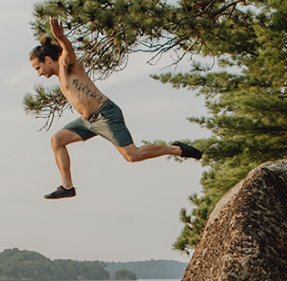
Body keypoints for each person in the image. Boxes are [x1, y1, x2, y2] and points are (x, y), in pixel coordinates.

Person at [29, 18, 201, 199]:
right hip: (88, 121)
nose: (39, 72)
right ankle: (67, 187)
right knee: (57, 140)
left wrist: (61, 38)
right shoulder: (59, 77)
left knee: (132, 155)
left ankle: (176, 149)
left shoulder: (67, 65)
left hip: (105, 115)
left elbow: (68, 52)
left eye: (38, 67)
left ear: (48, 60)